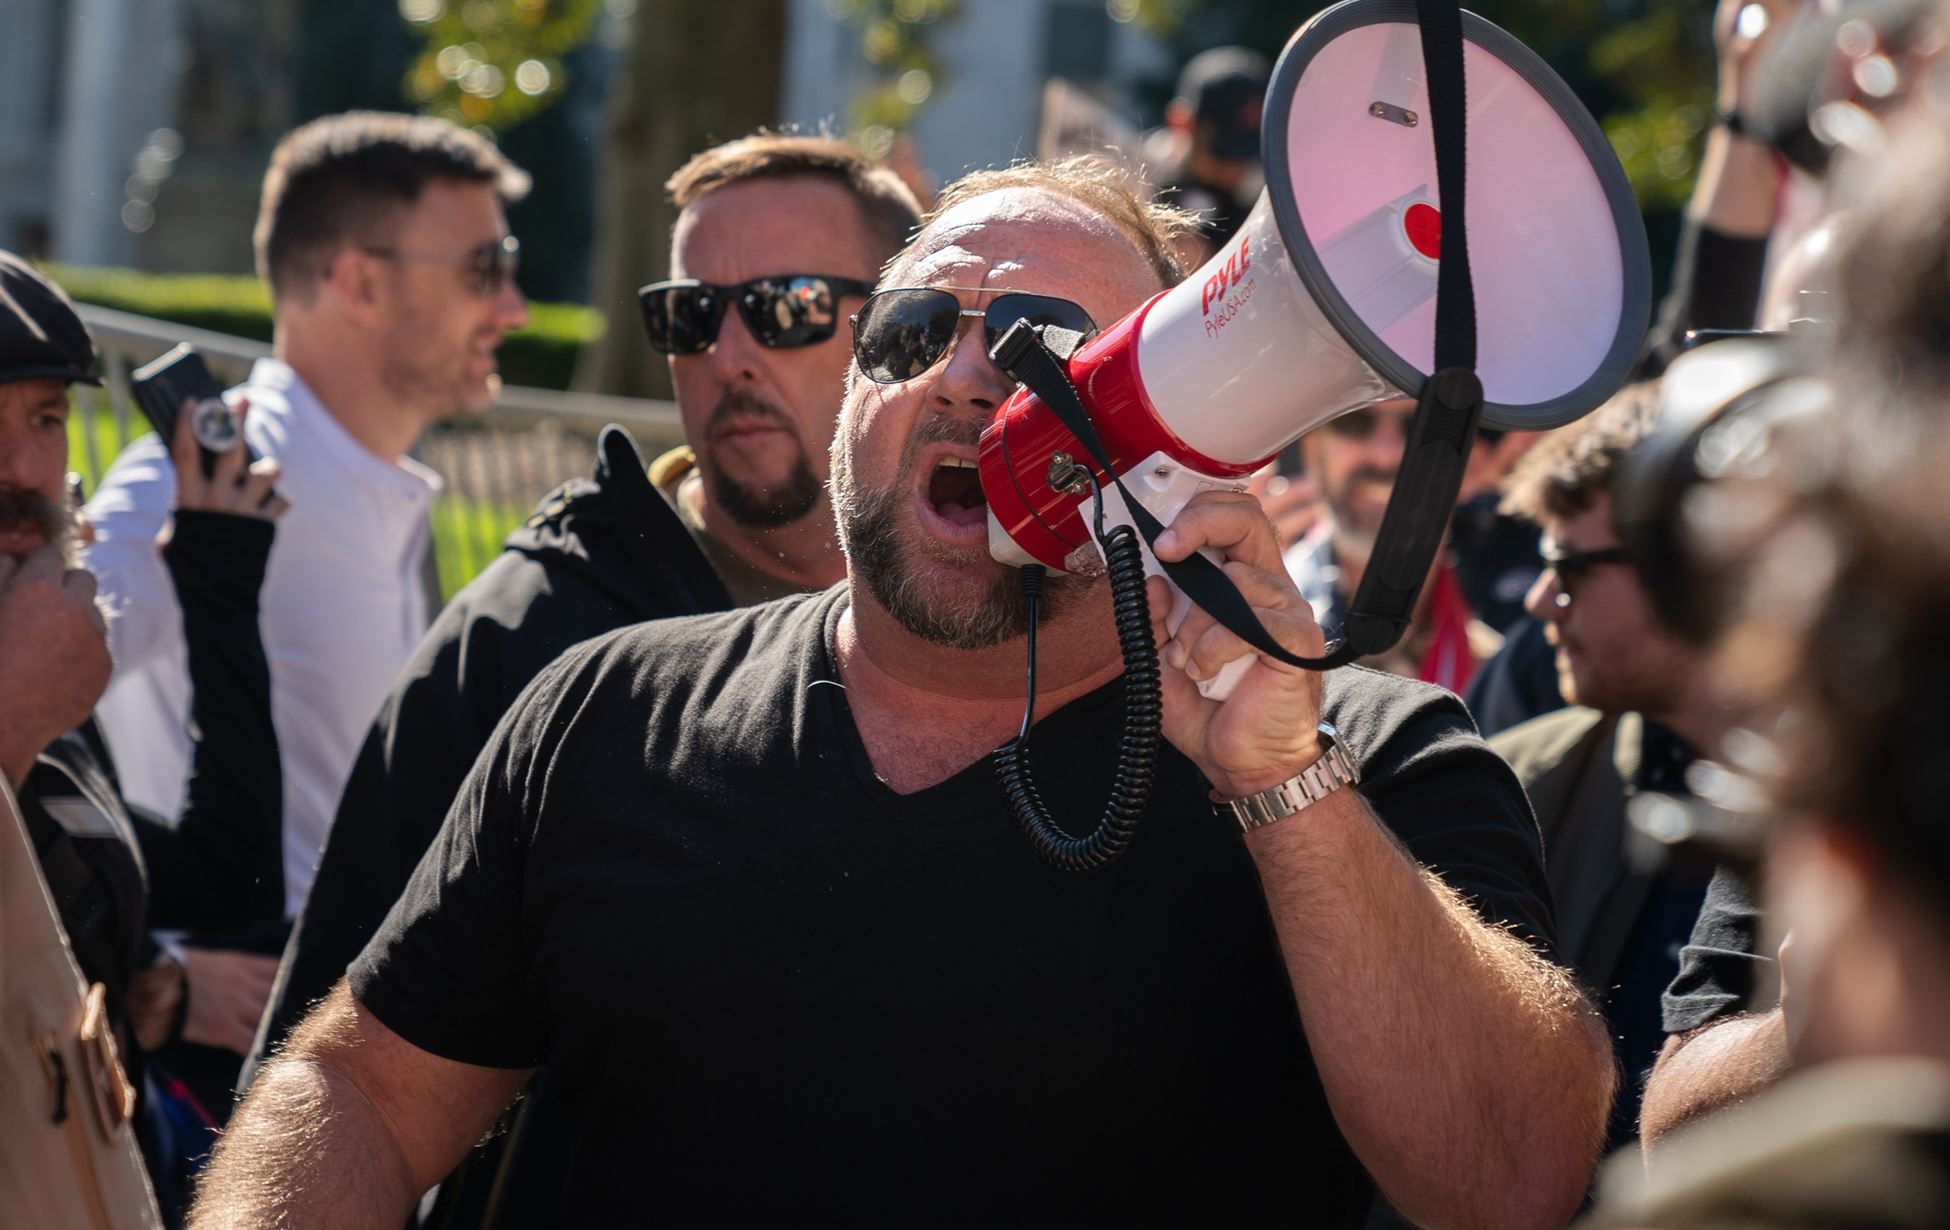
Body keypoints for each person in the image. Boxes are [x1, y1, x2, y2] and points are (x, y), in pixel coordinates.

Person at [193, 157, 1612, 1229]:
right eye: (906, 328)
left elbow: (1513, 1178)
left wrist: (1281, 788)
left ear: (1186, 435)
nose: (957, 376)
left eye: (1046, 343)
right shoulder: (606, 710)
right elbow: (360, 1093)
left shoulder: (1361, 752)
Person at [246, 133, 920, 1226]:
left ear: (903, 329)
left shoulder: (992, 621)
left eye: (787, 306)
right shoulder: (527, 640)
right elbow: (321, 1078)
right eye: (689, 315)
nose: (729, 355)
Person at [83, 112, 532, 924]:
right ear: (359, 283)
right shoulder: (196, 476)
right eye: (484, 268)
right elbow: (27, 688)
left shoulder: (369, 485)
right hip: (234, 1045)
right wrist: (157, 958)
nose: (515, 307)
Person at [0, 250, 288, 1219]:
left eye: (44, 418)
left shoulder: (37, 645)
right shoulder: (26, 672)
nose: (25, 472)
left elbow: (230, 878)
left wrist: (218, 581)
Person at [1489, 385, 1723, 1156]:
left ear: (1684, 566)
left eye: (1568, 566)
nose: (1540, 602)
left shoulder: (1863, 794)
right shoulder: (1518, 787)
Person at [1282, 400, 1495, 691]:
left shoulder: (1503, 680)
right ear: (1312, 453)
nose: (1387, 456)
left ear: (1472, 466)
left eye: (1426, 426)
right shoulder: (1242, 635)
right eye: (1354, 421)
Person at [1147, 47, 1268, 265]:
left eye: (1249, 152)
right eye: (1224, 150)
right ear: (1181, 122)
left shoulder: (1258, 214)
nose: (1236, 166)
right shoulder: (1141, 191)